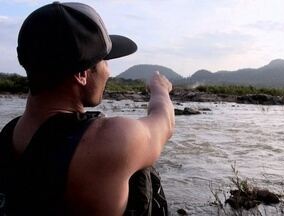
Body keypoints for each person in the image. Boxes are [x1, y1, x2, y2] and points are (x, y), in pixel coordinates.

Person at [0, 2, 174, 216]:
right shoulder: (109, 139)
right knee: (143, 174)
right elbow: (164, 122)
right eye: (105, 61)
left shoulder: (9, 133)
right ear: (82, 73)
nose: (108, 72)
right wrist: (160, 88)